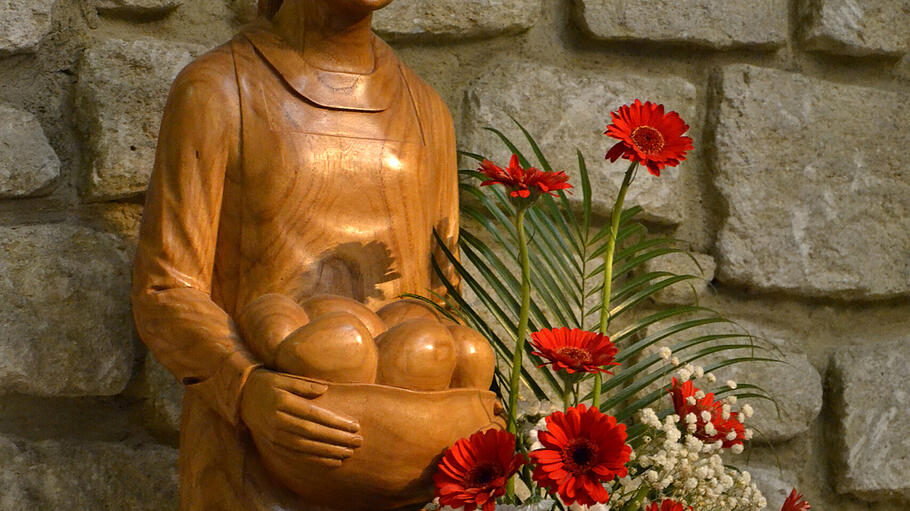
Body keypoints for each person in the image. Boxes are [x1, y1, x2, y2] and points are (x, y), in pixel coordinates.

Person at [130, 0, 465, 508]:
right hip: (252, 456)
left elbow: (444, 294)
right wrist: (246, 389)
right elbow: (165, 288)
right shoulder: (219, 88)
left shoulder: (426, 111)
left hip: (400, 465)